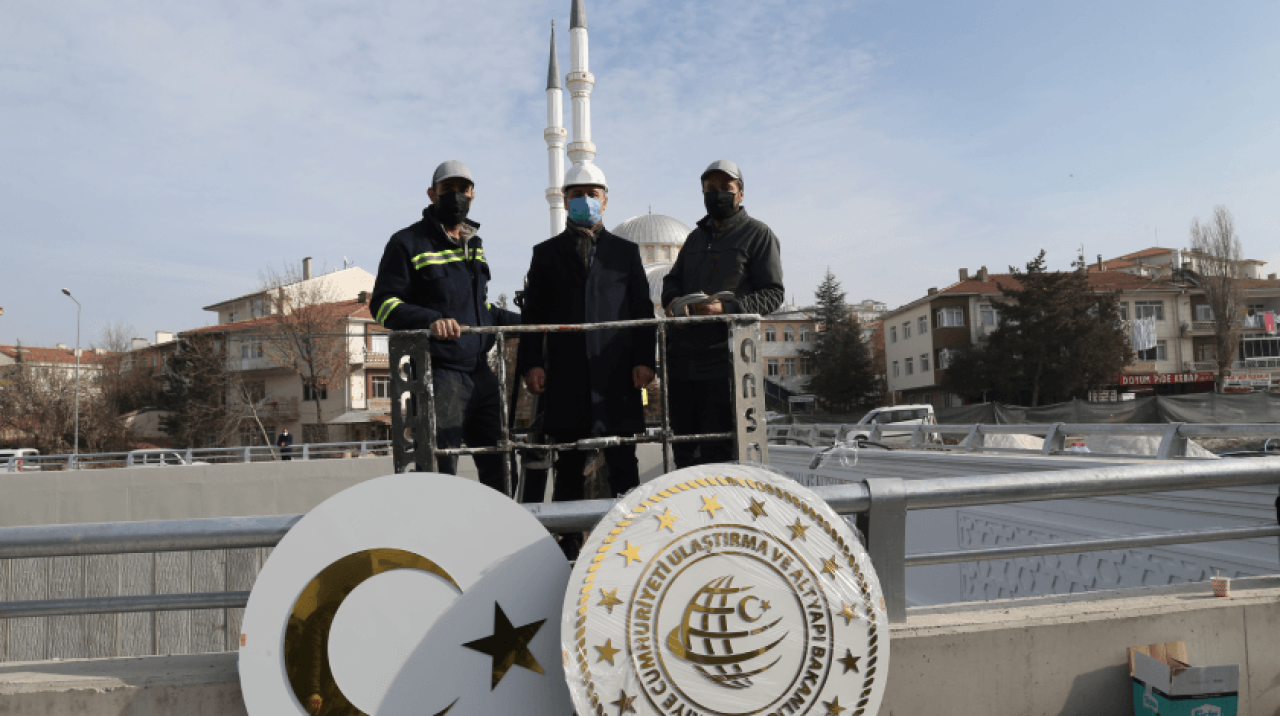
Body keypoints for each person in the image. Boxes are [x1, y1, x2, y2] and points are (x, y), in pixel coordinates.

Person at [370, 160, 520, 491]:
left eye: (462, 190)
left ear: (473, 195)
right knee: (440, 468)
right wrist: (430, 320)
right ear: (431, 193)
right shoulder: (407, 242)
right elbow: (382, 306)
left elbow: (479, 309)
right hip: (440, 373)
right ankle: (437, 539)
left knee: (503, 464)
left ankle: (505, 536)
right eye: (447, 189)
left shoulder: (474, 244)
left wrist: (526, 322)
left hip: (481, 372)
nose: (456, 196)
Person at [519, 163, 656, 514]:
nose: (584, 201)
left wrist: (645, 359)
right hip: (566, 375)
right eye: (576, 195)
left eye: (592, 195)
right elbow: (533, 315)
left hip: (617, 375)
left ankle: (632, 538)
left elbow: (642, 310)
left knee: (623, 462)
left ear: (605, 201)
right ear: (564, 201)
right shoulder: (546, 254)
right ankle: (567, 545)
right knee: (567, 467)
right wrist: (532, 363)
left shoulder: (624, 254)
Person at [661, 159, 784, 468]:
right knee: (686, 451)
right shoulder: (695, 237)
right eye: (710, 188)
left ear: (740, 194)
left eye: (725, 188)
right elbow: (672, 279)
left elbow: (773, 294)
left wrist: (726, 309)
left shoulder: (758, 235)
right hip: (683, 360)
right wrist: (672, 299)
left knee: (722, 451)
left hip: (727, 362)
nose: (717, 195)